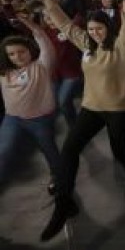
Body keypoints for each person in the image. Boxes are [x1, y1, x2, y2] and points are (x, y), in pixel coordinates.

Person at [30, 0, 125, 242]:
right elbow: (65, 25)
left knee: (119, 151)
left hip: (118, 109)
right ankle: (63, 204)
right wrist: (48, 0)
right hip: (91, 108)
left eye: (99, 28)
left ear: (108, 27)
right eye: (91, 30)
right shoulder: (86, 44)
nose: (95, 33)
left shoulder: (121, 46)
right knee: (69, 150)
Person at [0, 15, 66, 240]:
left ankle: (62, 188)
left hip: (40, 120)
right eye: (12, 54)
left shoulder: (42, 67)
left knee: (51, 154)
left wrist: (32, 25)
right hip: (13, 119)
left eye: (21, 52)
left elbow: (44, 42)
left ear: (30, 51)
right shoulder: (4, 72)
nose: (17, 57)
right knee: (3, 153)